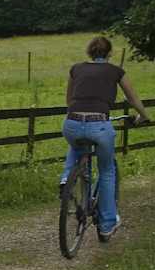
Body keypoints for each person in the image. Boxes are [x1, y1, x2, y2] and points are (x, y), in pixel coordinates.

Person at [60, 36, 150, 238]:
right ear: (110, 53)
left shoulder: (76, 69)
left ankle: (66, 179)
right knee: (107, 170)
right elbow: (132, 98)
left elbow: (69, 100)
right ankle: (107, 224)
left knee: (75, 147)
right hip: (99, 124)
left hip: (72, 122)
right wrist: (143, 116)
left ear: (89, 52)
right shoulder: (116, 71)